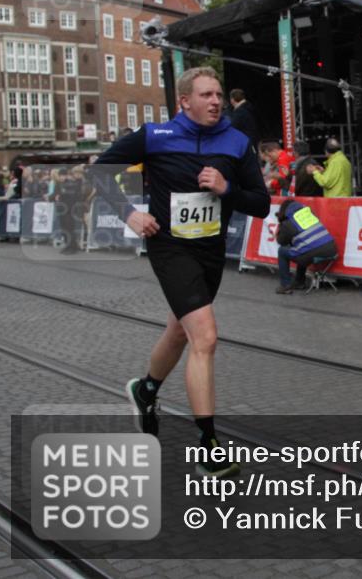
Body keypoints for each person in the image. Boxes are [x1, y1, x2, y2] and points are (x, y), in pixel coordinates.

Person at [90, 66, 270, 478]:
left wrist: (228, 189)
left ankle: (146, 389)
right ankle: (209, 445)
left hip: (210, 250)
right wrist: (130, 214)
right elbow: (99, 170)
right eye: (206, 95)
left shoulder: (236, 142)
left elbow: (260, 203)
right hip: (170, 248)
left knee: (179, 330)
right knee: (204, 336)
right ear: (184, 101)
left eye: (219, 95)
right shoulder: (156, 136)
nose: (215, 102)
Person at [274, 198, 338, 294]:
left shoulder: (288, 222)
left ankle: (285, 285)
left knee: (282, 251)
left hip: (313, 251)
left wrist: (279, 228)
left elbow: (281, 241)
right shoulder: (309, 214)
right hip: (331, 249)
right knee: (301, 247)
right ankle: (299, 281)